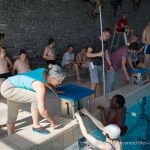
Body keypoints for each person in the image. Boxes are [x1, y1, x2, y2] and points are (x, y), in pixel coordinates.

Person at [0, 64, 66, 135]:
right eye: (59, 80)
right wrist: (53, 122)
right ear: (52, 77)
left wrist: (54, 90)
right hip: (10, 88)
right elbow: (42, 111)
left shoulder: (44, 71)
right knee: (36, 98)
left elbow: (46, 81)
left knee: (12, 117)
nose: (60, 83)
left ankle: (10, 136)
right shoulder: (40, 86)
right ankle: (36, 126)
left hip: (9, 84)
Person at [87, 27, 113, 98]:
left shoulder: (106, 42)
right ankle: (93, 100)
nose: (107, 38)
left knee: (102, 82)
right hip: (93, 64)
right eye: (106, 36)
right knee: (94, 83)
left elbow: (107, 54)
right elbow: (88, 54)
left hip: (101, 64)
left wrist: (110, 65)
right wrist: (98, 54)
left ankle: (102, 97)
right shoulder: (95, 41)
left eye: (109, 36)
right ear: (102, 33)